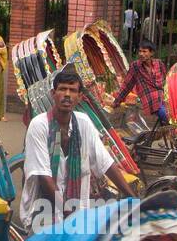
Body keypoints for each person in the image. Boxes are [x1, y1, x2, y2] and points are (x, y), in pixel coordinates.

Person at [21, 67, 136, 231]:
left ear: (80, 97)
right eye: (62, 89)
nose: (67, 94)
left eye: (73, 90)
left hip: (78, 211)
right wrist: (67, 213)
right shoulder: (39, 125)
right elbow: (44, 176)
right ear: (53, 94)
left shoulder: (84, 123)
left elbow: (106, 163)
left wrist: (132, 197)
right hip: (44, 211)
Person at [113, 40, 167, 122]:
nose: (141, 54)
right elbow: (126, 85)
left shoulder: (159, 64)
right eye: (140, 51)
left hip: (163, 97)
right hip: (151, 100)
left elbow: (166, 81)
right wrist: (116, 101)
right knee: (165, 113)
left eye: (144, 51)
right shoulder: (135, 66)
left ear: (151, 53)